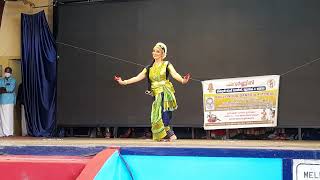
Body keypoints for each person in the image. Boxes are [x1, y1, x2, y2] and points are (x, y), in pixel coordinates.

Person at [115, 42, 190, 141]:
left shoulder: (166, 64)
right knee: (156, 115)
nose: (154, 53)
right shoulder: (149, 68)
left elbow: (175, 74)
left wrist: (182, 80)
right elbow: (138, 77)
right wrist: (123, 82)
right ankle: (168, 136)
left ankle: (170, 135)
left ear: (162, 54)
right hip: (156, 93)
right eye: (154, 51)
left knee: (163, 114)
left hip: (165, 93)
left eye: (157, 51)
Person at [0, 67, 17, 137]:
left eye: (8, 72)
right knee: (2, 117)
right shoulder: (1, 80)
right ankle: (2, 133)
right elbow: (1, 89)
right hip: (1, 100)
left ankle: (9, 132)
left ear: (11, 73)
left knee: (9, 117)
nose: (7, 73)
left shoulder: (13, 80)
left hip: (9, 101)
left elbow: (11, 89)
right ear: (4, 72)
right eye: (6, 71)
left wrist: (4, 89)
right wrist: (4, 89)